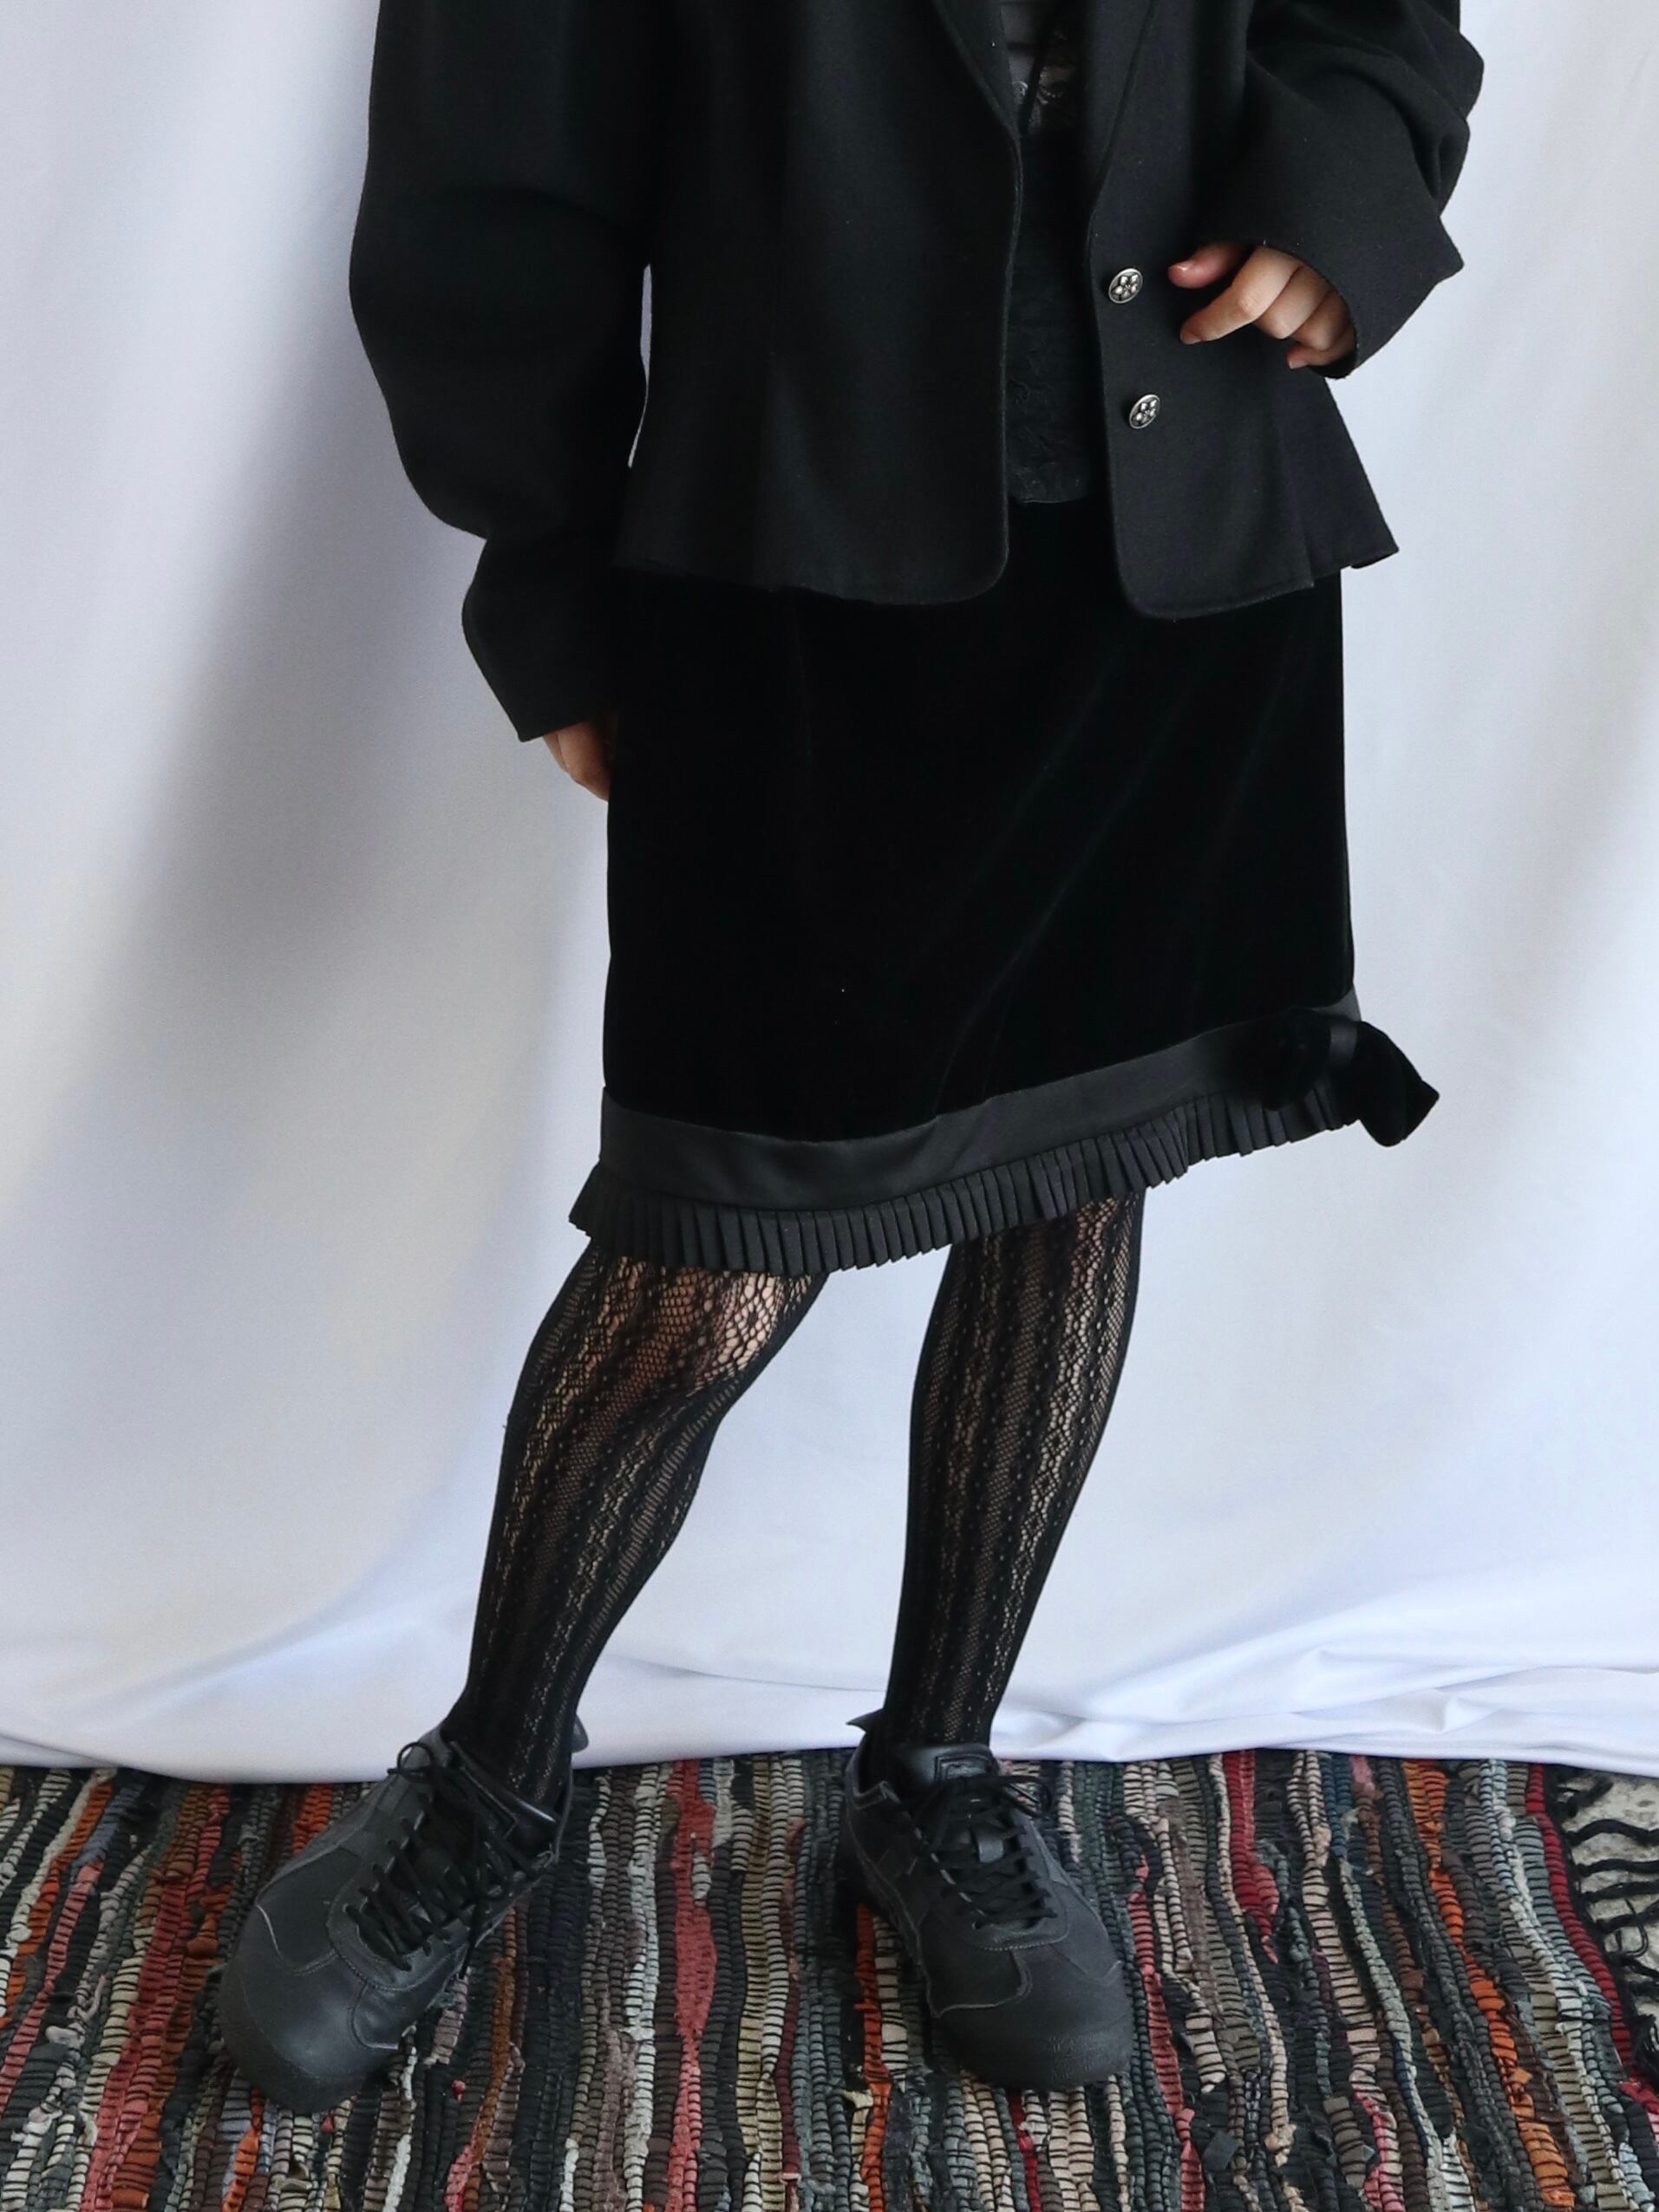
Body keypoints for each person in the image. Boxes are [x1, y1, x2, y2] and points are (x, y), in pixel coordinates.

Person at [216, 0, 1482, 2114]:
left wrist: (1336, 192)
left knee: (1081, 1176)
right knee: (712, 1249)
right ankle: (486, 1786)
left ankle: (940, 1776)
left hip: (1178, 538)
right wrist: (551, 574)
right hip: (788, 553)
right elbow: (488, 160)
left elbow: (1381, 17)